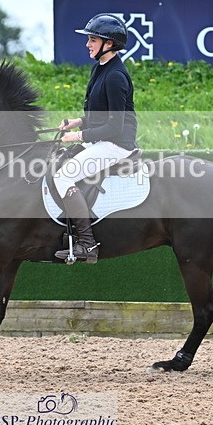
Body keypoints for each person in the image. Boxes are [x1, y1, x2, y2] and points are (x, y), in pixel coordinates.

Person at [53, 13, 138, 264]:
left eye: (92, 40)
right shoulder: (101, 68)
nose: (87, 44)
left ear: (108, 44)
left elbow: (114, 125)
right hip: (102, 140)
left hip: (116, 145)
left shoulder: (115, 76)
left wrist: (78, 135)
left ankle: (87, 244)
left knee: (63, 175)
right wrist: (77, 122)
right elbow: (99, 113)